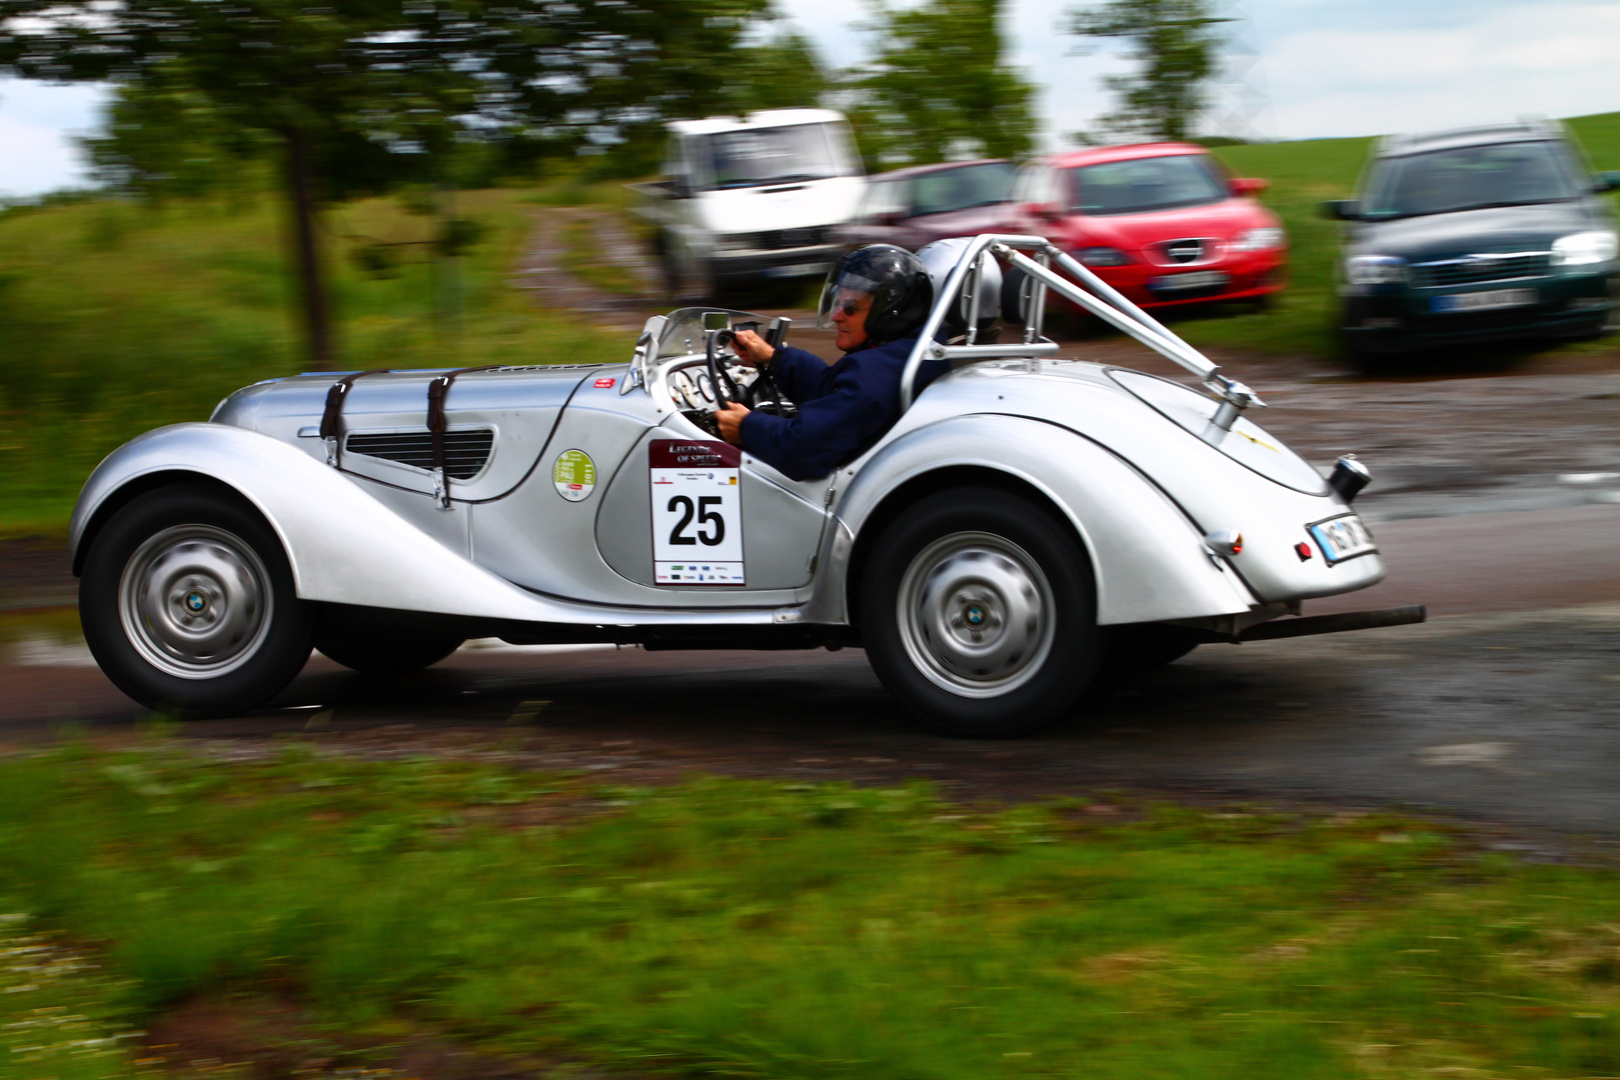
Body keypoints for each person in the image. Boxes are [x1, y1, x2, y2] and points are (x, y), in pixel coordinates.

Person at [714, 244, 939, 482]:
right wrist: (774, 358)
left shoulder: (876, 373)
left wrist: (746, 428)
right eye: (838, 303)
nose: (837, 315)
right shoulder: (907, 353)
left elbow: (803, 450)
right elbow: (832, 394)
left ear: (890, 309)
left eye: (850, 307)